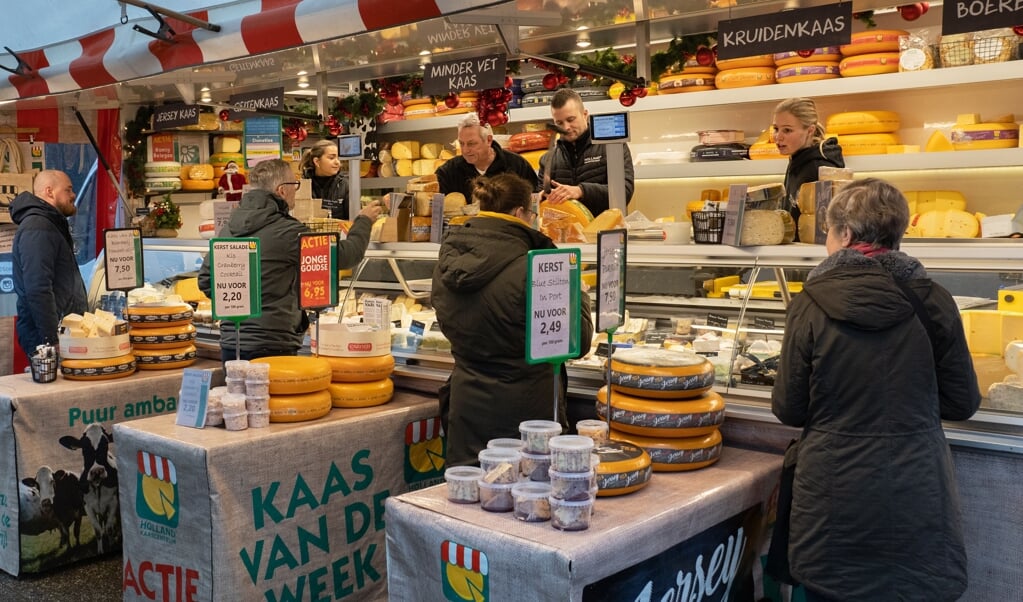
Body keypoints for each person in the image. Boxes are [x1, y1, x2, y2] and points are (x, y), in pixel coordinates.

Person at [771, 178, 980, 602]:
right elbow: (962, 402)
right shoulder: (934, 299)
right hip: (915, 488)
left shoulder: (810, 301)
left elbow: (789, 408)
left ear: (845, 234)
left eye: (828, 232)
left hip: (832, 494)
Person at [432, 173, 594, 466]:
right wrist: (580, 294)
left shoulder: (449, 256)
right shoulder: (538, 263)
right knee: (524, 499)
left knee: (469, 498)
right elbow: (577, 341)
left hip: (467, 404)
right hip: (526, 416)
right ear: (521, 212)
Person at [198, 159, 383, 361]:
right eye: (294, 185)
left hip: (232, 344)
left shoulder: (229, 229)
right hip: (273, 344)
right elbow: (346, 256)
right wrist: (364, 221)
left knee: (237, 393)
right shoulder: (287, 231)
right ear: (282, 190)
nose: (296, 190)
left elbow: (206, 280)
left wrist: (243, 305)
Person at [10, 170, 89, 360]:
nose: (73, 195)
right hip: (48, 343)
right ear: (50, 191)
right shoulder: (38, 226)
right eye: (68, 190)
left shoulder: (49, 224)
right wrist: (52, 338)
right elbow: (38, 288)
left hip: (60, 337)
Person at [538, 88, 634, 217]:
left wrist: (581, 191)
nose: (566, 127)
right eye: (559, 123)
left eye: (571, 119)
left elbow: (624, 192)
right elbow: (538, 199)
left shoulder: (612, 147)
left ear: (585, 114)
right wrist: (541, 197)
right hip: (564, 234)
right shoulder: (547, 159)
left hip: (606, 231)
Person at [772, 97, 844, 240]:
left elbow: (827, 233)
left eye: (787, 130)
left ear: (810, 130)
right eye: (776, 129)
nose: (778, 137)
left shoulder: (821, 169)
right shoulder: (796, 160)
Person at [435, 113, 539, 200]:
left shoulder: (517, 165)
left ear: (489, 140)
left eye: (472, 144)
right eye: (462, 143)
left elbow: (533, 202)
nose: (465, 150)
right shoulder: (448, 171)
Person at [300, 139, 350, 219]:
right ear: (316, 161)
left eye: (338, 158)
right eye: (331, 158)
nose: (337, 162)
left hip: (339, 231)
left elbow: (353, 219)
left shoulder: (345, 185)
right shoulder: (302, 186)